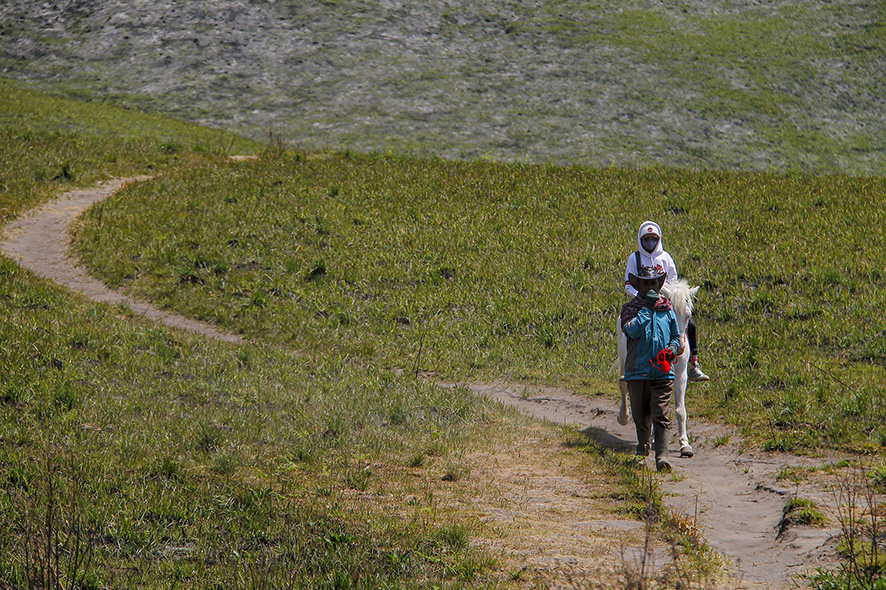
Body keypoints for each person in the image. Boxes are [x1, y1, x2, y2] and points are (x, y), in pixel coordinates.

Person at [624, 221, 709, 382]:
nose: (650, 243)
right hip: (641, 302)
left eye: (654, 239)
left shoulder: (666, 258)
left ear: (659, 238)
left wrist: (665, 296)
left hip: (664, 300)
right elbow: (629, 285)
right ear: (640, 240)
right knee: (629, 325)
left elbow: (673, 281)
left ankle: (694, 364)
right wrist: (643, 298)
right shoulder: (634, 258)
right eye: (646, 239)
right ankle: (629, 363)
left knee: (688, 323)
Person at [621, 266, 682, 472]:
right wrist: (647, 307)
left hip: (663, 372)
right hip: (637, 373)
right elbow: (634, 330)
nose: (651, 287)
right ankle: (642, 449)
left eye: (654, 283)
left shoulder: (668, 310)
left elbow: (675, 336)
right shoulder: (630, 309)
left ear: (660, 284)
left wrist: (672, 349)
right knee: (640, 414)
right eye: (646, 283)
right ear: (638, 286)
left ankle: (662, 456)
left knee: (661, 413)